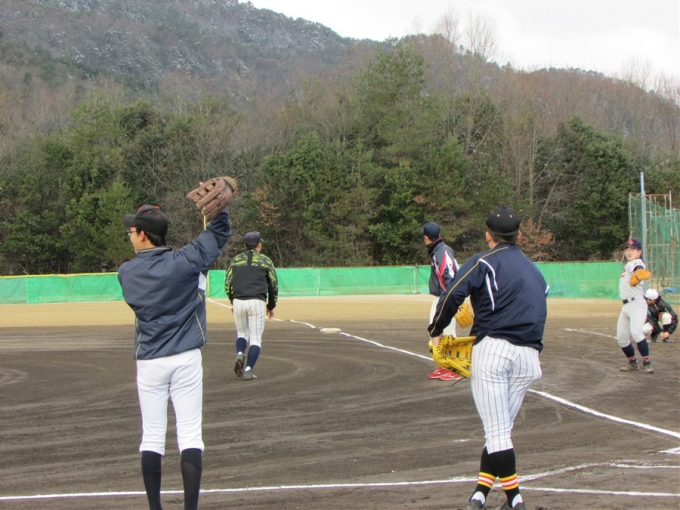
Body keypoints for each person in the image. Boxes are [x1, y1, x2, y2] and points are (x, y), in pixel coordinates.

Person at [428, 205, 548, 510]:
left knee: (496, 432)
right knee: (500, 432)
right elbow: (538, 305)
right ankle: (479, 495)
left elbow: (452, 293)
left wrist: (436, 330)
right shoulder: (535, 271)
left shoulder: (483, 261)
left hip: (494, 351)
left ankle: (515, 500)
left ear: (488, 235)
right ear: (519, 236)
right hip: (529, 358)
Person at [118, 202, 232, 510]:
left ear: (143, 235)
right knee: (190, 436)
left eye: (131, 231)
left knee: (152, 437)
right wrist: (219, 210)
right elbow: (218, 234)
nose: (130, 236)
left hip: (150, 360)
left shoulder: (126, 273)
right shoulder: (187, 261)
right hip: (186, 358)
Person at [226, 231, 278, 381]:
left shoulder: (235, 260)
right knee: (255, 339)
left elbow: (228, 283)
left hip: (238, 301)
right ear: (259, 245)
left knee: (242, 334)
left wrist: (233, 301)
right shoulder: (265, 261)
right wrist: (271, 305)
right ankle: (248, 370)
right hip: (256, 301)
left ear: (244, 245)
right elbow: (273, 285)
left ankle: (240, 353)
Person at [422, 221, 461, 382]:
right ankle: (444, 364)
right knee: (435, 329)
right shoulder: (437, 250)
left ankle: (454, 368)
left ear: (426, 237)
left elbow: (449, 276)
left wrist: (453, 300)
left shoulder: (441, 251)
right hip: (442, 296)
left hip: (447, 297)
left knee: (448, 331)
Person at [617, 238, 654, 373]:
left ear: (639, 252)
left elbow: (639, 268)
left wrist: (638, 275)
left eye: (633, 249)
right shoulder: (628, 265)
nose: (629, 252)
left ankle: (647, 362)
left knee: (637, 333)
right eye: (627, 249)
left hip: (637, 304)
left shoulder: (636, 262)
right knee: (621, 337)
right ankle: (633, 362)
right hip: (626, 306)